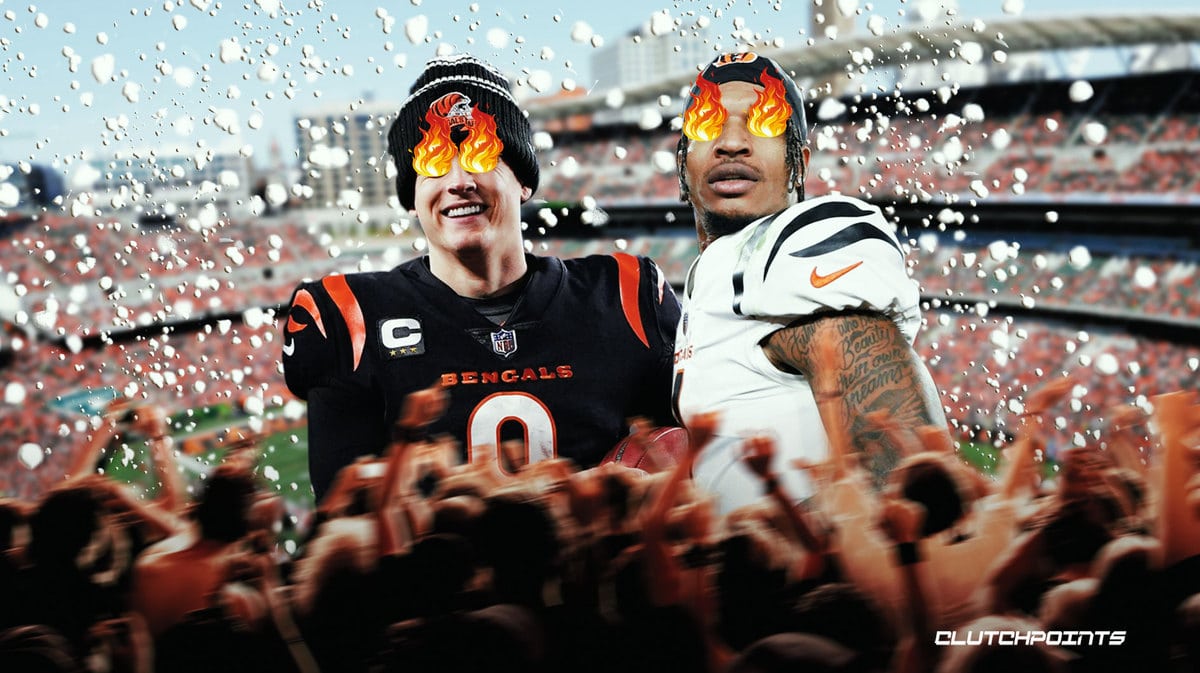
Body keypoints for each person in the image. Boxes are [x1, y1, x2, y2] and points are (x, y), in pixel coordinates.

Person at [283, 54, 681, 501]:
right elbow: (349, 530)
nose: (459, 181)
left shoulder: (625, 296)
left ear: (523, 181)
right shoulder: (350, 320)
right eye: (433, 163)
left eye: (480, 153)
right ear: (411, 198)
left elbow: (683, 463)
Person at [672, 51, 948, 512]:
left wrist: (821, 558)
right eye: (708, 125)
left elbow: (913, 484)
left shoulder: (790, 248)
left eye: (764, 123)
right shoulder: (711, 278)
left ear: (799, 162)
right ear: (682, 165)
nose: (732, 143)